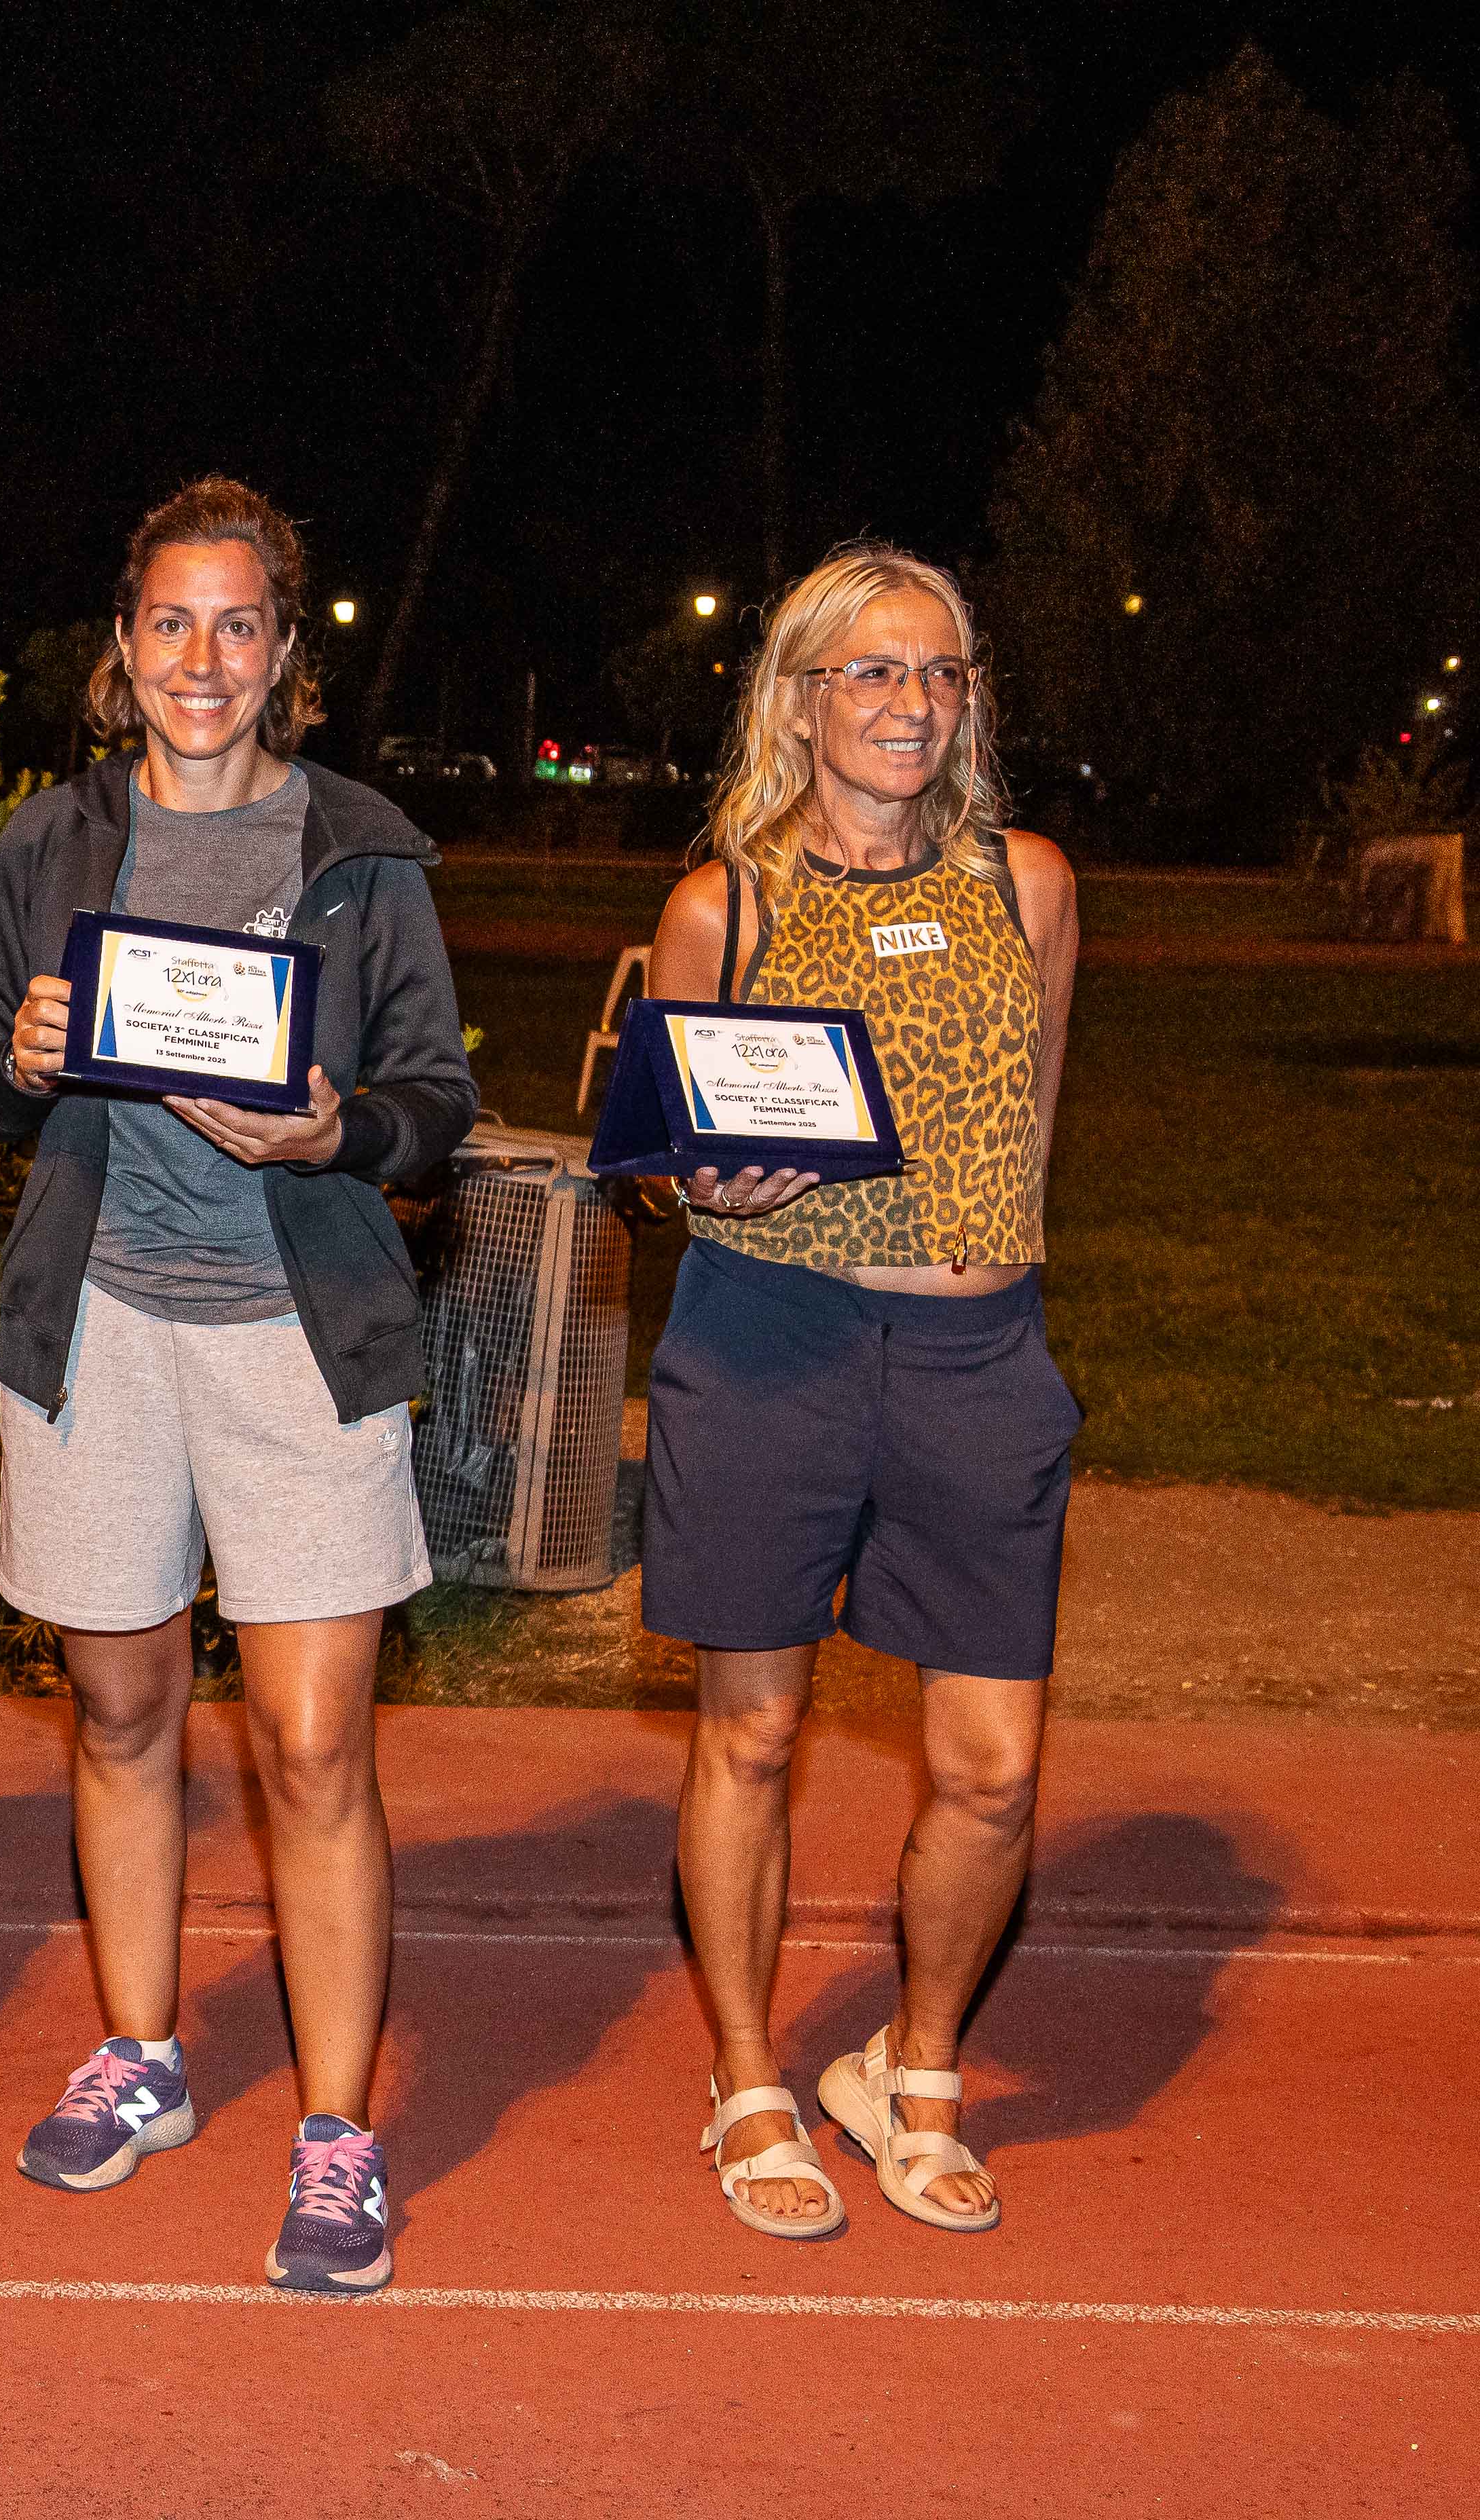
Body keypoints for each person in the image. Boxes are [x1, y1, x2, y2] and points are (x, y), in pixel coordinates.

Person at [0, 476, 473, 2293]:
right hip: (98, 1331)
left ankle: (337, 2134)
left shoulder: (364, 851)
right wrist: (18, 1061)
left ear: (286, 653)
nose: (202, 658)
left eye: (239, 624)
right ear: (124, 644)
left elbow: (435, 1103)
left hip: (295, 1338)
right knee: (122, 1713)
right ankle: (146, 2051)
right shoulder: (53, 840)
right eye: (171, 621)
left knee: (314, 1745)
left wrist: (339, 1131)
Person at [642, 546, 1078, 2241]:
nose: (913, 702)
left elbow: (1030, 1135)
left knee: (994, 1767)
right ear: (801, 697)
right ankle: (749, 2074)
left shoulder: (1029, 884)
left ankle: (916, 2064)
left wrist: (984, 1278)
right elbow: (670, 1155)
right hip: (771, 1341)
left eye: (942, 670)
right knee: (751, 1731)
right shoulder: (722, 908)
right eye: (875, 671)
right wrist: (708, 1186)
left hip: (978, 1358)